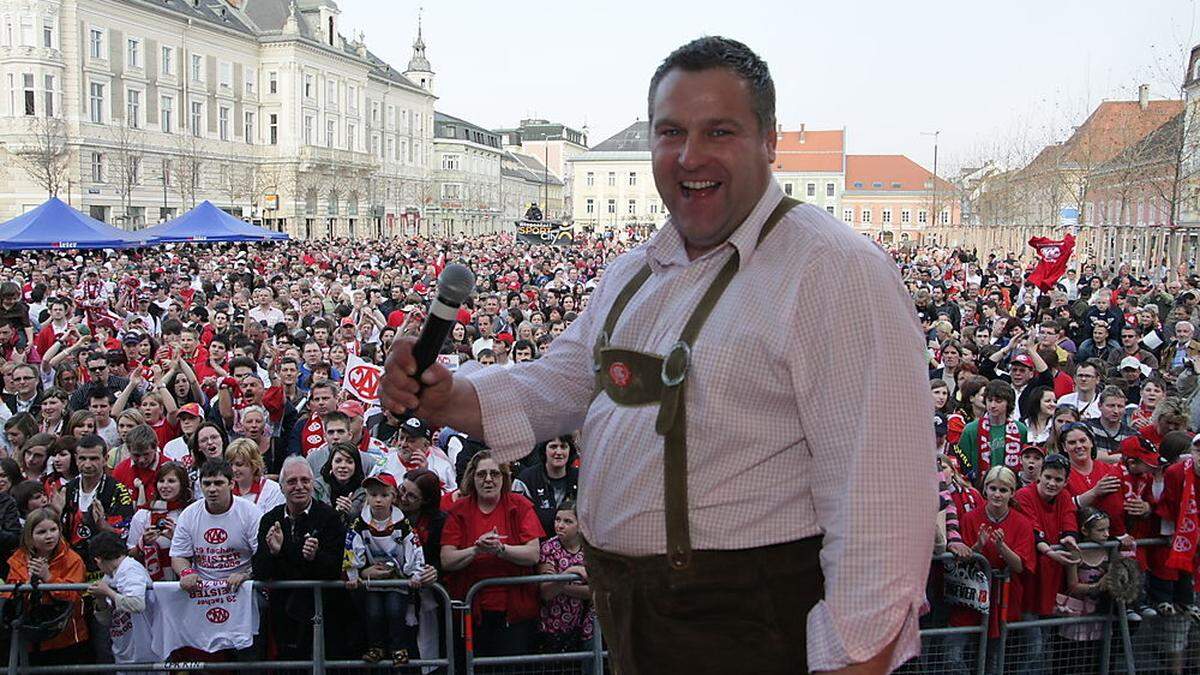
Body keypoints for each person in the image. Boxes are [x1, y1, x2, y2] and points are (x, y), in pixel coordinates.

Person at [382, 36, 935, 674]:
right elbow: (563, 382)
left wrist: (854, 664)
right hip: (639, 627)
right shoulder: (633, 273)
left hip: (752, 632)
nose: (690, 156)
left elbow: (882, 510)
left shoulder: (834, 271)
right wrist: (453, 396)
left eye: (719, 131)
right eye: (670, 131)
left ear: (769, 141)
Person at [441, 452, 543, 662]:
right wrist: (476, 550)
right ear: (472, 477)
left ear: (504, 477)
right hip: (471, 611)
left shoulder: (520, 505)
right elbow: (447, 559)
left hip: (514, 612)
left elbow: (533, 554)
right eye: (482, 474)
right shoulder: (459, 509)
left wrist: (500, 549)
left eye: (495, 474)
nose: (488, 479)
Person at [252, 456, 346, 662]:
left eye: (305, 481)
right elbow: (260, 571)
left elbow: (334, 569)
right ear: (282, 487)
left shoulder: (329, 518)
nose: (299, 487)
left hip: (323, 611)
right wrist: (274, 552)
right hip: (283, 613)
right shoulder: (270, 519)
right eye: (292, 481)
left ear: (313, 484)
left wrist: (314, 557)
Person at [345, 472, 425, 666]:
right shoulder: (359, 523)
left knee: (395, 610)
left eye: (384, 495)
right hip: (373, 580)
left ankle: (398, 647)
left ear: (393, 497)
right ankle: (376, 647)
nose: (378, 500)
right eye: (373, 495)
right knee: (373, 613)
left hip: (397, 579)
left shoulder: (402, 524)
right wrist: (354, 574)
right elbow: (351, 548)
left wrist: (416, 573)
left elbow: (414, 547)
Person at [5, 506, 89, 665]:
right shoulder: (18, 559)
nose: (49, 536)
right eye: (41, 532)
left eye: (53, 529)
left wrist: (48, 578)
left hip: (66, 637)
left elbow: (74, 597)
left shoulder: (73, 559)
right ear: (29, 536)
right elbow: (9, 596)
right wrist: (27, 584)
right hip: (30, 638)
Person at [88, 530, 161, 669]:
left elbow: (137, 604)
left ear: (97, 559)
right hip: (124, 654)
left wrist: (108, 592)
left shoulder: (131, 569)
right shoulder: (108, 576)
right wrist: (100, 600)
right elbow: (106, 620)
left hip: (146, 655)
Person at [536, 501, 594, 656]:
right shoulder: (548, 548)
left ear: (580, 525)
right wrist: (570, 571)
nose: (560, 525)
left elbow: (593, 591)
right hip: (553, 625)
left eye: (567, 521)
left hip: (584, 625)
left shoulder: (589, 550)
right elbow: (546, 592)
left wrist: (559, 582)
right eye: (557, 519)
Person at [126, 461, 190, 581]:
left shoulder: (190, 513)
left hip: (184, 582)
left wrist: (176, 539)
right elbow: (130, 556)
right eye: (161, 481)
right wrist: (143, 543)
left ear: (182, 484)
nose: (165, 486)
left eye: (171, 481)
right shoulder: (143, 514)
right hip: (150, 584)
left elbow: (201, 554)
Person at [518, 436, 580, 539]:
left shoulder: (581, 478)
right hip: (537, 545)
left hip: (574, 547)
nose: (558, 452)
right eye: (553, 447)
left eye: (563, 447)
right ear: (544, 450)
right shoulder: (526, 480)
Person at [225, 438, 285, 514]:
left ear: (254, 465)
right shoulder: (225, 489)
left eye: (239, 465)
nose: (233, 469)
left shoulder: (273, 490)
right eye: (230, 464)